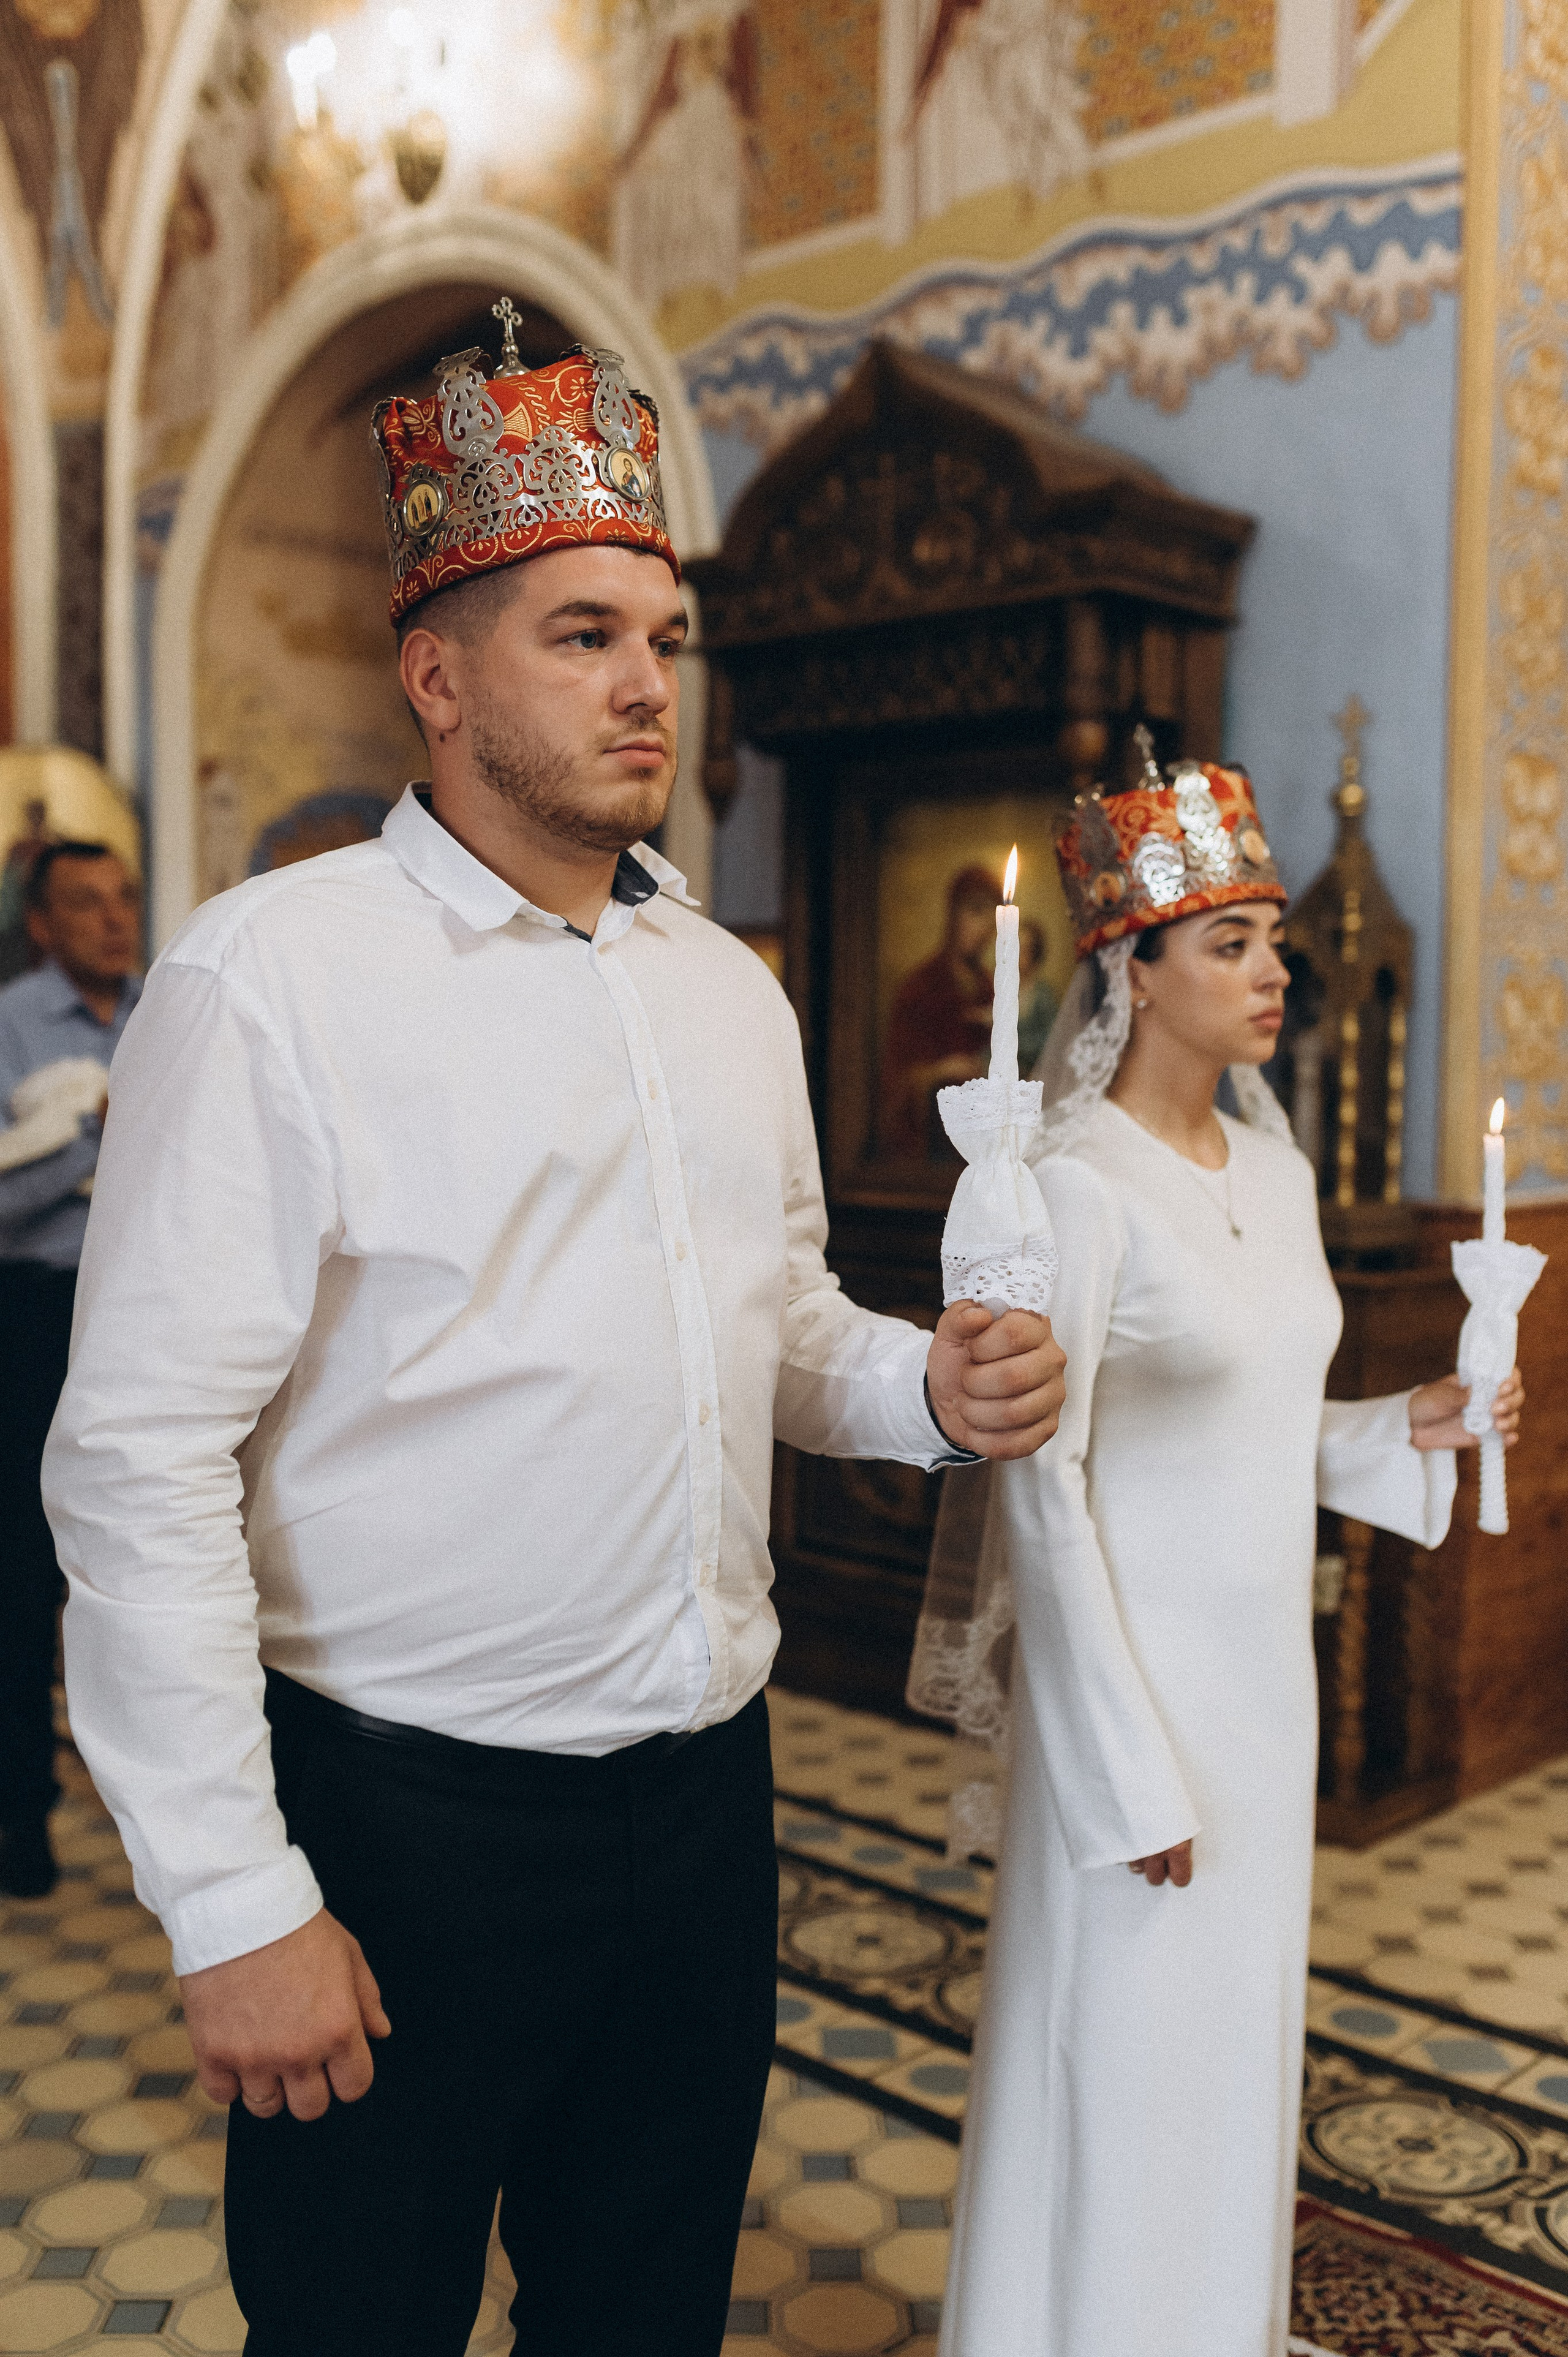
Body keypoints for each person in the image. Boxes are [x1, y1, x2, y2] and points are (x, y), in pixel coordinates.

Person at [43, 334, 1068, 2357]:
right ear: (437, 674)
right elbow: (135, 1451)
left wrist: (925, 1394)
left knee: (641, 2309)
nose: (644, 686)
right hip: (405, 1812)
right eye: (583, 633)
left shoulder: (721, 988)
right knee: (361, 2319)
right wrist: (233, 1894)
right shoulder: (276, 976)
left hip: (701, 1806)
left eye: (664, 638)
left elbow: (774, 1327)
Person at [909, 758, 1524, 2357]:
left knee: (1234, 2050)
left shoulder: (1278, 1169)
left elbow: (1269, 1429)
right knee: (1124, 2059)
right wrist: (1123, 1774)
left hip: (1265, 1694)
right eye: (1235, 943)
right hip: (1136, 1709)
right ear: (1134, 967)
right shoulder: (1072, 1192)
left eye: (1274, 944)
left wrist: (1418, 1422)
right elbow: (1045, 1497)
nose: (1274, 973)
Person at [0, 841, 141, 1898]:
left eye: (126, 897)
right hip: (37, 1315)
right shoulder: (10, 1027)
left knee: (153, 1562)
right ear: (42, 926)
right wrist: (94, 1147)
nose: (114, 918)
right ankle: (19, 1812)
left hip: (146, 1317)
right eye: (85, 904)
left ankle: (174, 1811)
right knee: (20, 1574)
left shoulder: (173, 1008)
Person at [881, 864, 1000, 1155]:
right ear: (953, 914)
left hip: (982, 1142)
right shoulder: (921, 985)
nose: (984, 928)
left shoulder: (992, 989)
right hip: (933, 1144)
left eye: (991, 917)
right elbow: (897, 1082)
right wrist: (943, 1070)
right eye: (975, 911)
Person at [1014, 914, 1057, 1074]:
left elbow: (1049, 1040)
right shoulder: (1000, 988)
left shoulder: (1042, 995)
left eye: (1024, 950)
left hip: (1030, 1072)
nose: (1017, 955)